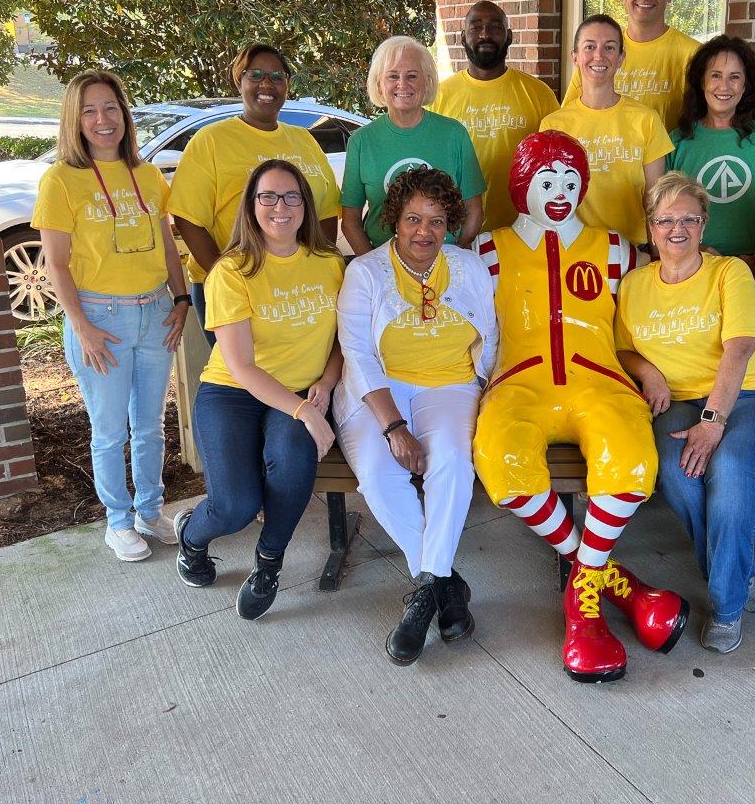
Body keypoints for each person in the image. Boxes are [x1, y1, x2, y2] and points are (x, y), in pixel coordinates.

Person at [473, 130, 688, 684]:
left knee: (632, 456)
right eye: (547, 179)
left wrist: (649, 370)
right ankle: (619, 585)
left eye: (572, 179)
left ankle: (582, 605)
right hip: (518, 383)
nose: (560, 190)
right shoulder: (487, 250)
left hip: (601, 380)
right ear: (523, 185)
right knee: (501, 457)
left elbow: (639, 321)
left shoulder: (617, 249)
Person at [335, 168, 497, 665]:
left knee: (450, 458)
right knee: (379, 474)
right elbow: (357, 354)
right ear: (394, 222)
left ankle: (425, 592)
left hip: (449, 382)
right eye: (412, 219)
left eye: (435, 220)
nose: (423, 231)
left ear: (449, 223)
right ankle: (443, 583)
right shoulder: (365, 272)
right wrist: (393, 426)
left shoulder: (468, 267)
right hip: (379, 390)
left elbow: (491, 337)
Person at [172, 160, 343, 621]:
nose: (280, 207)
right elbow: (243, 366)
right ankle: (192, 536)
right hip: (234, 393)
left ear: (305, 206)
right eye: (268, 196)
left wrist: (324, 387)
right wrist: (306, 412)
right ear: (251, 206)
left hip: (299, 393)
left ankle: (269, 562)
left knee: (292, 461)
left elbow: (343, 343)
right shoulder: (232, 271)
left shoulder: (330, 265)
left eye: (291, 197)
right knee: (236, 506)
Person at [615, 172, 755, 654]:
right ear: (651, 225)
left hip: (740, 397)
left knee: (728, 474)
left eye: (688, 218)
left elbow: (741, 347)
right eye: (666, 219)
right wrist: (650, 372)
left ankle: (727, 607)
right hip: (674, 399)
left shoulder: (729, 273)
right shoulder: (634, 285)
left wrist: (712, 421)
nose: (676, 229)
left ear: (704, 225)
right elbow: (622, 349)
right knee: (675, 474)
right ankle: (739, 571)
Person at [33, 69, 189, 561]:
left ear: (124, 113)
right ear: (74, 121)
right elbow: (55, 262)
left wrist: (181, 299)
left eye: (111, 108)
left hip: (155, 310)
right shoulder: (61, 179)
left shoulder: (146, 176)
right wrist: (82, 328)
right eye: (90, 110)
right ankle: (117, 521)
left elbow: (166, 242)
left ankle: (149, 510)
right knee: (109, 430)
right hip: (102, 318)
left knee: (149, 426)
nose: (103, 119)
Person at [169, 43, 341, 345]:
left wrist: (318, 269)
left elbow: (325, 212)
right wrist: (228, 278)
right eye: (256, 74)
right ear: (239, 80)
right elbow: (187, 218)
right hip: (235, 287)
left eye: (277, 76)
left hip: (300, 288)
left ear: (287, 84)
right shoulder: (211, 140)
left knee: (300, 377)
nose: (267, 84)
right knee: (245, 384)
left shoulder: (304, 140)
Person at [341, 36, 486, 254]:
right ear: (379, 84)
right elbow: (350, 221)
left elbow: (474, 209)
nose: (402, 84)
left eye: (412, 75)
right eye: (392, 76)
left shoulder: (454, 134)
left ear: (427, 82)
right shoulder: (361, 141)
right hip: (384, 264)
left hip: (443, 263)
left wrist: (455, 255)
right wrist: (375, 266)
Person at [540, 15, 673, 248]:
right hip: (573, 247)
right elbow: (546, 196)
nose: (599, 56)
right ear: (575, 57)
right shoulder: (553, 126)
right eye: (589, 47)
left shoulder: (646, 119)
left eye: (609, 47)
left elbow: (655, 199)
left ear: (621, 58)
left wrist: (656, 254)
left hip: (633, 248)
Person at [429, 0, 560, 231]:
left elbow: (557, 164)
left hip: (525, 231)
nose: (485, 34)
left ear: (509, 36)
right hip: (457, 234)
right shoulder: (439, 97)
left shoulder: (539, 94)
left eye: (495, 27)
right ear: (462, 37)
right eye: (475, 27)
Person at [668, 35, 755, 275]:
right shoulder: (678, 141)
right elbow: (664, 215)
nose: (724, 86)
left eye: (734, 77)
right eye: (715, 75)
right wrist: (696, 253)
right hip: (692, 268)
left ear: (746, 86)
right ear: (701, 82)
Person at [563, 0, 700, 131]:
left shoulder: (693, 54)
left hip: (663, 159)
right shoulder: (600, 51)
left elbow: (701, 127)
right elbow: (569, 117)